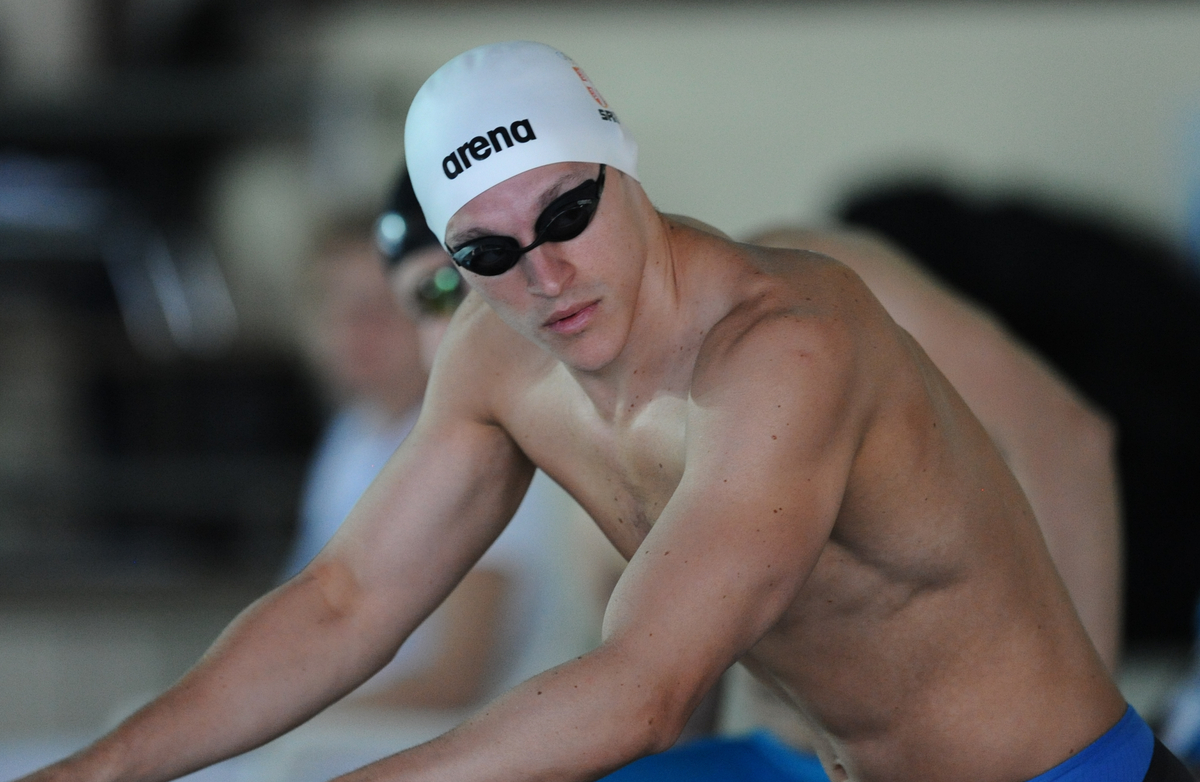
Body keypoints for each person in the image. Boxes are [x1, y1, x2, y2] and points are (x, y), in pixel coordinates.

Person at [17, 41, 1188, 782]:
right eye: (486, 250)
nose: (545, 276)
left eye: (568, 213)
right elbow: (344, 598)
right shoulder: (498, 359)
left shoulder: (786, 344)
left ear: (623, 164)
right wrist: (102, 766)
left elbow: (645, 687)